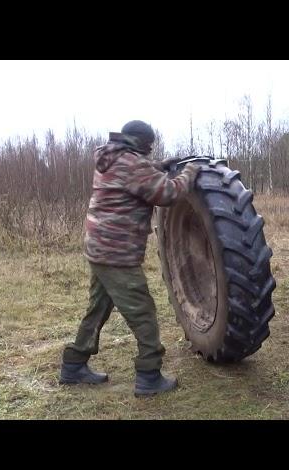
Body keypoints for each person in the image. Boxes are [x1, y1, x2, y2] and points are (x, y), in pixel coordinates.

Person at [59, 120, 200, 396]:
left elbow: (135, 176)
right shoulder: (133, 164)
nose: (149, 151)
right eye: (149, 147)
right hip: (116, 253)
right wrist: (190, 173)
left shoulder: (111, 158)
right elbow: (167, 193)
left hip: (99, 248)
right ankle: (149, 376)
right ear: (142, 143)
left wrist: (159, 166)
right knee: (143, 312)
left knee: (98, 307)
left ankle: (74, 364)